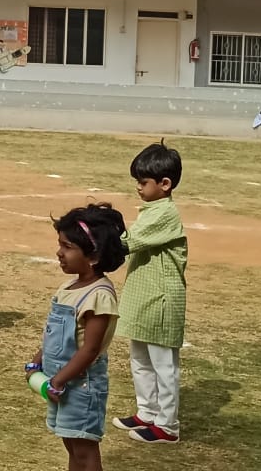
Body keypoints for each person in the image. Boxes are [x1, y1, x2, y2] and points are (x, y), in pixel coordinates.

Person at [26, 204, 128, 471]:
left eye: (67, 246)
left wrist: (58, 380)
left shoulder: (99, 295)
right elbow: (54, 334)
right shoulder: (69, 286)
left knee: (84, 447)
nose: (59, 253)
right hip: (60, 383)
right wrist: (39, 360)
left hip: (81, 386)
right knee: (70, 442)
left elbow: (90, 349)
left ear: (93, 256)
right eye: (60, 244)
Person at [113, 142, 188, 445]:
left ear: (165, 184)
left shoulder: (165, 214)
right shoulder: (151, 210)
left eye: (143, 183)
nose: (138, 188)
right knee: (140, 358)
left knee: (163, 365)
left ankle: (167, 425)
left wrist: (101, 230)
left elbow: (126, 243)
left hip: (161, 299)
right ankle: (148, 411)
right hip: (145, 297)